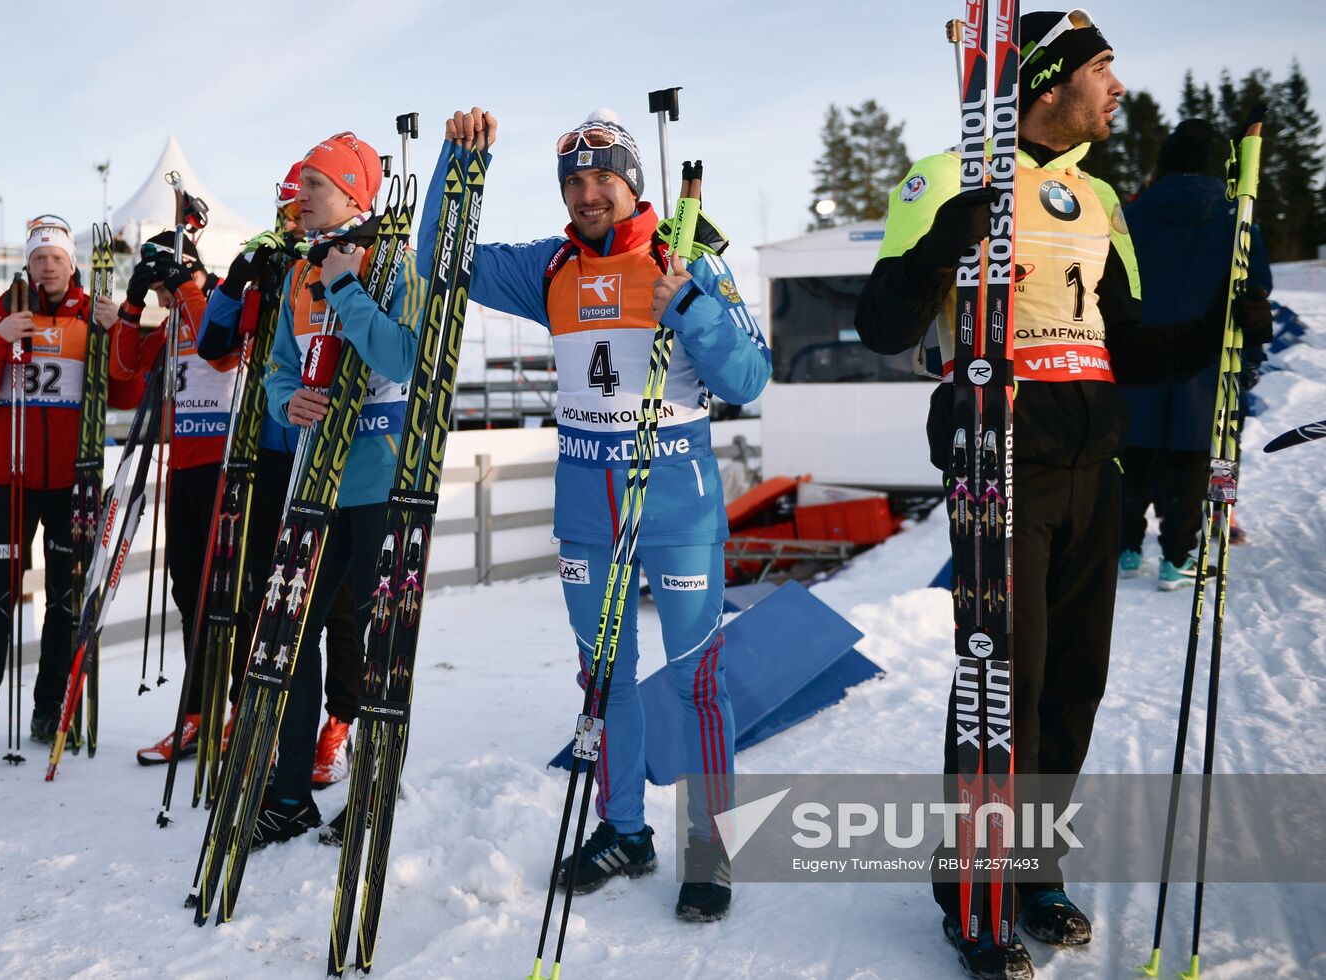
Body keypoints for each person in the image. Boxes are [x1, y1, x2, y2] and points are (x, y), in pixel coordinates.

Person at [853, 10, 1273, 978]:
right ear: (1047, 84)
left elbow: (1121, 345)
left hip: (1093, 471)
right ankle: (971, 890)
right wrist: (941, 248)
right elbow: (880, 323)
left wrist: (1216, 326)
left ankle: (1030, 865)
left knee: (1073, 683)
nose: (1115, 86)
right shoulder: (942, 176)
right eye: (1101, 69)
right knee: (1006, 681)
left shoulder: (1097, 201)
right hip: (997, 463)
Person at [423, 107, 771, 922]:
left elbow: (750, 380)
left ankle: (709, 848)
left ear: (631, 184)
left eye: (602, 180)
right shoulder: (550, 266)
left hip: (675, 497)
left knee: (696, 680)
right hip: (587, 495)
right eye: (574, 183)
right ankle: (625, 830)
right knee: (603, 676)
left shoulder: (688, 260)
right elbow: (445, 259)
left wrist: (693, 306)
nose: (587, 195)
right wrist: (457, 165)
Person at [253, 131, 424, 846]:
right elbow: (276, 370)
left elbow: (403, 354)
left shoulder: (395, 262)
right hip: (315, 475)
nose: (303, 196)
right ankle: (290, 793)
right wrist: (285, 402)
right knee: (286, 638)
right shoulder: (300, 275)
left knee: (382, 645)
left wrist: (349, 288)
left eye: (317, 185)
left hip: (381, 475)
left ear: (354, 194)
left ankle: (374, 789)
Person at [0, 215, 143, 775]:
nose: (47, 265)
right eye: (38, 257)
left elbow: (128, 391)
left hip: (73, 482)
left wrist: (117, 328)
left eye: (56, 257)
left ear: (72, 264)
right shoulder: (3, 314)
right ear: (27, 264)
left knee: (64, 601)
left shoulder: (87, 317)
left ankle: (49, 710)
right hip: (14, 484)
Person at [195, 163, 367, 787]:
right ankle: (259, 709)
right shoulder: (271, 266)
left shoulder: (337, 255)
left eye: (304, 196)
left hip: (331, 448)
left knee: (339, 599)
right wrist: (237, 280)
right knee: (269, 589)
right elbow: (216, 344)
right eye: (286, 200)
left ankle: (339, 720)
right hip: (270, 448)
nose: (294, 209)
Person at [1118, 119, 1272, 589]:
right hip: (1208, 363)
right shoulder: (1237, 220)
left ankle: (1125, 547)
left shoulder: (1127, 217)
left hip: (1137, 355)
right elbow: (1256, 289)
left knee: (1133, 454)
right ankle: (1179, 555)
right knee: (1194, 457)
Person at [106, 231, 242, 764]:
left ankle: (241, 710)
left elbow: (222, 349)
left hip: (227, 470)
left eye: (164, 283)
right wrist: (133, 303)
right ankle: (196, 715)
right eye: (159, 288)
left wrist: (182, 280)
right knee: (188, 595)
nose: (165, 296)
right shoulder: (171, 320)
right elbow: (123, 367)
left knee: (231, 597)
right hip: (183, 470)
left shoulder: (222, 300)